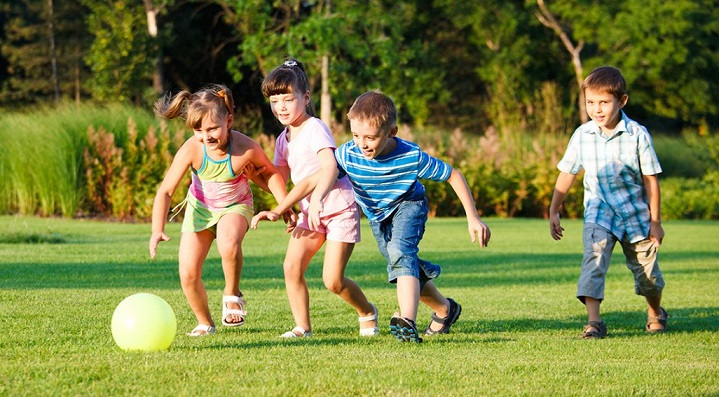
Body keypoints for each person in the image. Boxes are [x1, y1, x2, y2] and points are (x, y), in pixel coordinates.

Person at [256, 90, 491, 343]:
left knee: (401, 253)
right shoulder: (349, 154)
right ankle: (445, 309)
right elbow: (313, 179)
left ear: (392, 132)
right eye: (356, 135)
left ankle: (407, 322)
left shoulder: (411, 157)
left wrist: (473, 217)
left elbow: (453, 174)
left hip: (409, 205)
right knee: (402, 264)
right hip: (378, 216)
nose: (362, 144)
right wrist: (281, 208)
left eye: (370, 137)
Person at [251, 59, 378, 338]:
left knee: (332, 281)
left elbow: (330, 166)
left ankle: (367, 311)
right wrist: (249, 174)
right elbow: (278, 181)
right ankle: (302, 327)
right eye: (274, 101)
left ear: (305, 98)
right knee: (291, 266)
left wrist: (317, 198)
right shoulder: (283, 139)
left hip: (338, 208)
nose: (281, 107)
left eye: (288, 99)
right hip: (311, 212)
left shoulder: (315, 127)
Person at [149, 84, 289, 337]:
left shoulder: (245, 148)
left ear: (229, 120)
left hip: (236, 206)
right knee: (188, 272)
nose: (206, 136)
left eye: (213, 128)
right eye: (198, 130)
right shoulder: (192, 148)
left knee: (228, 243)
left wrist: (285, 206)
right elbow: (166, 191)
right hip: (200, 210)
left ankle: (232, 292)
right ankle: (205, 322)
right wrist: (157, 229)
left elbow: (271, 176)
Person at [548, 66, 668, 339]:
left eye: (604, 102)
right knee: (594, 258)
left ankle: (655, 311)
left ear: (622, 101)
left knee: (648, 276)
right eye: (591, 102)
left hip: (636, 215)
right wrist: (554, 209)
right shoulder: (582, 135)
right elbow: (567, 173)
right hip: (599, 211)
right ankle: (594, 322)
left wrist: (656, 221)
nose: (597, 109)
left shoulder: (638, 134)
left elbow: (651, 180)